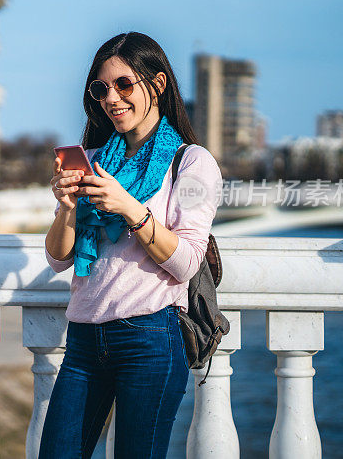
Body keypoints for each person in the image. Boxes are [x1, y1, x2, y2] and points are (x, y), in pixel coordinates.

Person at [39, 32, 222, 458]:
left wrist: (128, 206)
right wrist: (67, 207)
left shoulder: (192, 162)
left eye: (124, 84)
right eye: (101, 89)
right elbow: (57, 259)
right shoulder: (96, 159)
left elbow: (188, 262)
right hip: (85, 339)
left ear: (157, 84)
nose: (112, 98)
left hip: (150, 336)